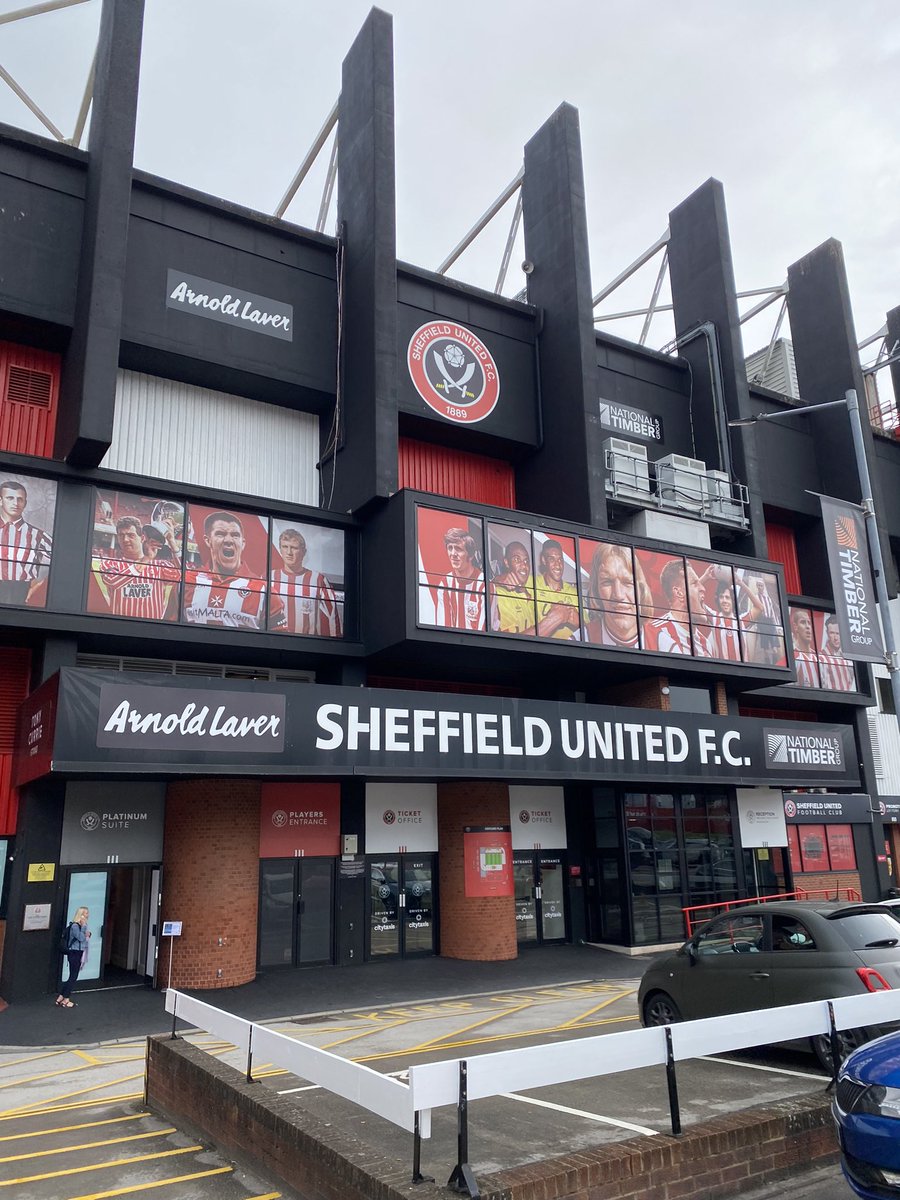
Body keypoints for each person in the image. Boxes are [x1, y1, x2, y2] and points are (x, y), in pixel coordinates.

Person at [184, 510, 283, 630]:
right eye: (220, 534)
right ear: (208, 540)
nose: (229, 540)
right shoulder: (187, 582)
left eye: (235, 535)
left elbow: (280, 638)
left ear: (243, 543)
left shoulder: (264, 590)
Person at [92, 516, 182, 620]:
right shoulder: (110, 564)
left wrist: (172, 542)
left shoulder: (159, 566)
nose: (125, 540)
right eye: (121, 535)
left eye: (131, 535)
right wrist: (146, 559)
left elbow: (182, 577)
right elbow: (113, 581)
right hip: (120, 627)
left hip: (152, 628)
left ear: (142, 538)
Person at [269, 527, 342, 636]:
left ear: (304, 552)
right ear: (280, 550)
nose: (289, 552)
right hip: (274, 641)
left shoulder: (318, 580)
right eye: (285, 547)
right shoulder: (269, 578)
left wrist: (334, 643)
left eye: (294, 548)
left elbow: (333, 618)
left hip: (306, 644)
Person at [582, 542, 650, 649]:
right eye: (607, 582)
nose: (618, 595)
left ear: (641, 589)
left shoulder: (665, 645)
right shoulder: (579, 639)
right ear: (596, 591)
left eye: (627, 582)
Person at [0, 479, 53, 605]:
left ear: (25, 503)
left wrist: (38, 583)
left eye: (20, 499)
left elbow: (61, 560)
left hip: (21, 593)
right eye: (10, 498)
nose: (15, 503)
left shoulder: (38, 535)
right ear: (0, 501)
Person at [431, 526, 485, 631]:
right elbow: (443, 628)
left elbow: (484, 631)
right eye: (450, 548)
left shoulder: (484, 585)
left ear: (471, 555)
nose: (453, 554)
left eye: (458, 549)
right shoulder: (445, 584)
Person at [643, 558, 692, 654]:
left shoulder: (705, 642)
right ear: (678, 592)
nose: (702, 588)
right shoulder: (652, 631)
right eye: (694, 583)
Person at [736, 571, 785, 665]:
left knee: (774, 644)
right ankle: (768, 662)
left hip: (770, 621)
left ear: (763, 587)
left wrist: (775, 622)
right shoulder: (755, 597)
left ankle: (776, 662)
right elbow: (753, 609)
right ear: (757, 586)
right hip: (762, 621)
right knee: (765, 644)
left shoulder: (768, 598)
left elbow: (772, 610)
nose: (760, 587)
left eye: (761, 585)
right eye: (758, 585)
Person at [534, 539, 580, 638]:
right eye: (552, 559)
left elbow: (589, 630)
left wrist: (579, 622)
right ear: (544, 560)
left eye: (560, 559)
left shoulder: (574, 592)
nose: (558, 565)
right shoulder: (531, 583)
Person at [490, 540, 535, 635]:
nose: (524, 565)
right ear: (506, 563)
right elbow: (511, 639)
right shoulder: (499, 594)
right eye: (517, 559)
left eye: (526, 561)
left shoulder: (534, 587)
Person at [56, 906, 90, 1008]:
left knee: (72, 976)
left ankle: (61, 996)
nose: (88, 915)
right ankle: (66, 999)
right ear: (81, 915)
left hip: (79, 952)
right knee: (73, 976)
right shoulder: (75, 926)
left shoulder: (81, 926)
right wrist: (84, 927)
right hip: (74, 952)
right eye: (86, 913)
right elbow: (81, 938)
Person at [818, 614, 855, 691]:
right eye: (832, 633)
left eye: (838, 633)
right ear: (827, 633)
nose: (835, 638)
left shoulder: (848, 656)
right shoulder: (821, 657)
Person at [790, 607, 820, 687]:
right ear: (795, 627)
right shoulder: (792, 657)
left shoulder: (819, 658)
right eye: (803, 622)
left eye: (809, 623)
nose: (808, 626)